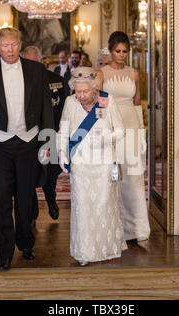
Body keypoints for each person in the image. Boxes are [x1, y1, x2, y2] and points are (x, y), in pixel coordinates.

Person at [0, 28, 54, 272]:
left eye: (14, 45)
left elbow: (46, 110)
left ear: (20, 45)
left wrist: (47, 142)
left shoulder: (36, 71)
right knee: (1, 199)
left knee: (26, 197)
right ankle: (4, 253)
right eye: (4, 45)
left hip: (28, 141)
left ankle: (26, 243)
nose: (10, 50)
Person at [58, 67, 127, 266]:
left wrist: (106, 138)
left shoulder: (107, 100)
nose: (80, 96)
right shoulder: (71, 102)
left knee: (104, 204)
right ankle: (84, 251)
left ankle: (107, 248)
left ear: (94, 88)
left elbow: (121, 130)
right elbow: (63, 130)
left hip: (104, 163)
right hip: (80, 163)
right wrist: (63, 153)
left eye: (85, 92)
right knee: (83, 207)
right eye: (77, 91)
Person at [97, 31, 150, 249]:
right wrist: (101, 132)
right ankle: (114, 226)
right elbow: (100, 106)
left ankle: (138, 229)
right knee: (112, 177)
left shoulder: (134, 73)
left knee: (134, 179)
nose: (121, 55)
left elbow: (137, 103)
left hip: (131, 127)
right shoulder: (101, 73)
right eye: (118, 51)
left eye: (125, 51)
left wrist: (141, 133)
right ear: (110, 51)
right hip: (111, 127)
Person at [22, 46, 66, 225]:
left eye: (36, 62)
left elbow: (63, 109)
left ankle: (51, 200)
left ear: (42, 61)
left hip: (51, 133)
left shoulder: (57, 80)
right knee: (29, 173)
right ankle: (31, 211)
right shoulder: (18, 81)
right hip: (28, 136)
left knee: (51, 172)